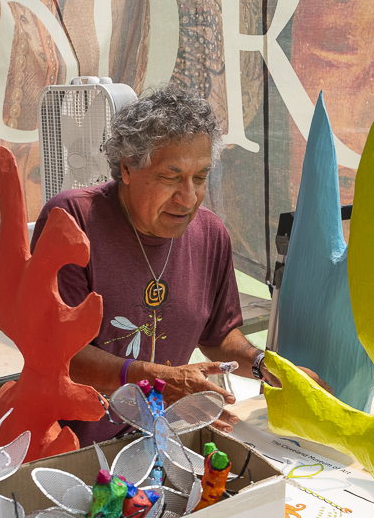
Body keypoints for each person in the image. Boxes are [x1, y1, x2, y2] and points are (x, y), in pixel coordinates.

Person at [30, 85, 329, 446]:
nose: (188, 197)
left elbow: (219, 337)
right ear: (127, 167)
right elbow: (59, 354)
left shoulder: (210, 234)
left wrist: (264, 364)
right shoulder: (73, 219)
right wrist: (157, 379)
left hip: (160, 437)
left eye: (200, 178)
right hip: (70, 444)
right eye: (170, 177)